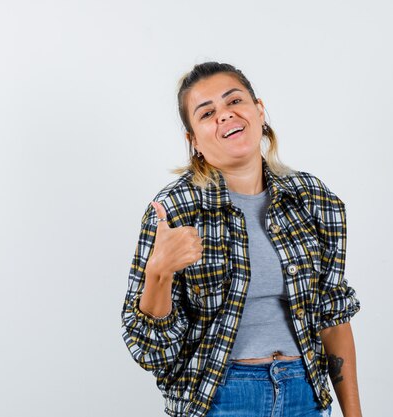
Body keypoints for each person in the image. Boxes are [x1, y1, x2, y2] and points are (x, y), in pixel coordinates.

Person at [120, 62, 362, 417]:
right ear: (194, 141)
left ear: (259, 111)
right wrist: (159, 273)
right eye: (207, 113)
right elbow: (154, 354)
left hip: (305, 394)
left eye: (234, 101)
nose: (224, 115)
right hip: (220, 399)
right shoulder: (175, 209)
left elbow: (333, 317)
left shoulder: (313, 198)